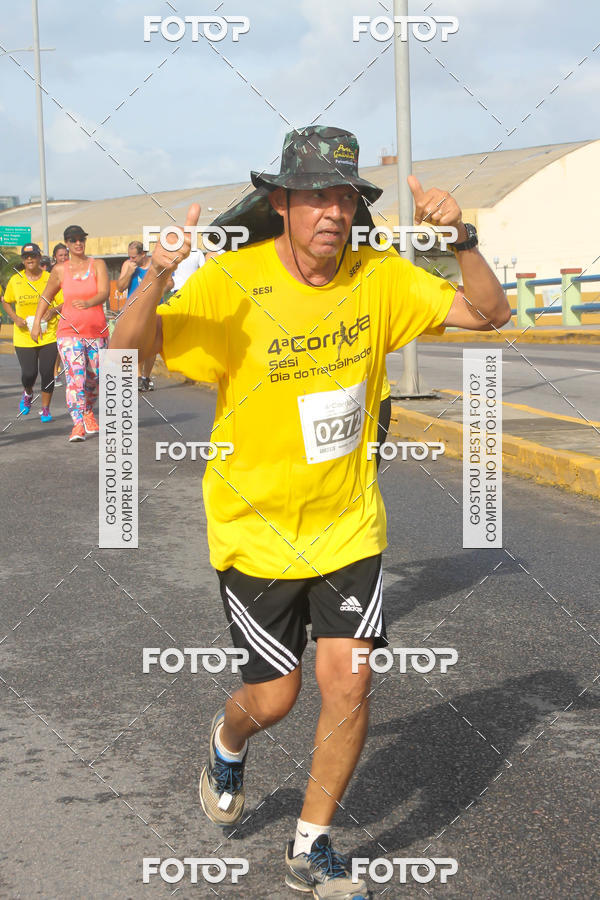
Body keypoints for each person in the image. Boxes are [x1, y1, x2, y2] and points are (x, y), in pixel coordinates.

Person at [111, 126, 510, 899]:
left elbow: (488, 313)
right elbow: (128, 361)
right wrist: (156, 276)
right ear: (282, 204)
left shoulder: (381, 277)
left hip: (348, 524)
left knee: (351, 685)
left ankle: (312, 846)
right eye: (315, 196)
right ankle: (229, 742)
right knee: (275, 698)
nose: (332, 211)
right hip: (255, 528)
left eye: (345, 197)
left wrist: (460, 239)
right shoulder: (235, 280)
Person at [31, 225, 109, 442]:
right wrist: (36, 322)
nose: (78, 243)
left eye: (81, 239)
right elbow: (46, 297)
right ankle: (77, 423)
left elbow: (104, 292)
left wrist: (89, 302)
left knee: (94, 378)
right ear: (67, 243)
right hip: (69, 333)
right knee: (76, 377)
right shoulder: (59, 270)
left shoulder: (98, 265)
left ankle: (88, 411)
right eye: (73, 240)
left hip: (97, 331)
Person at [1, 242, 60, 423]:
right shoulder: (16, 280)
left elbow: (64, 301)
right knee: (29, 373)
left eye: (33, 256)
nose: (30, 259)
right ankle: (27, 393)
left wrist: (53, 311)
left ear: (39, 257)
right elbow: (6, 301)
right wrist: (15, 318)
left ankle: (45, 409)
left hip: (48, 334)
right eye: (26, 257)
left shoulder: (50, 278)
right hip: (24, 335)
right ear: (23, 260)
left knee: (47, 372)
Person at [116, 240, 173, 391]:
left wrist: (160, 289)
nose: (131, 260)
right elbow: (120, 287)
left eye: (134, 257)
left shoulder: (156, 265)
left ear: (143, 254)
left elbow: (170, 282)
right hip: (135, 310)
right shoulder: (128, 265)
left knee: (152, 345)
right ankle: (137, 376)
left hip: (154, 309)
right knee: (137, 343)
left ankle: (146, 377)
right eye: (129, 257)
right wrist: (129, 273)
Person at [51, 243, 69, 387]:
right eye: (60, 255)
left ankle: (72, 374)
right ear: (55, 257)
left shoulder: (74, 272)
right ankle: (55, 373)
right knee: (57, 349)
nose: (63, 258)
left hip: (73, 316)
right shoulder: (52, 274)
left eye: (65, 255)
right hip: (56, 318)